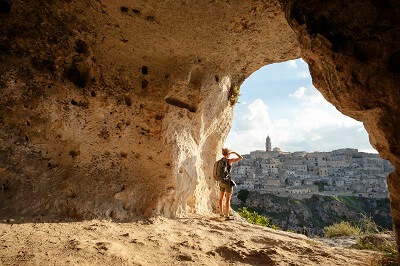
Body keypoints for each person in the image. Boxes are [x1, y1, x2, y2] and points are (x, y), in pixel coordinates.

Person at [218, 148, 243, 220]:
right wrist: (234, 152)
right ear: (228, 153)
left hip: (221, 181)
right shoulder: (229, 161)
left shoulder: (220, 161)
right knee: (227, 200)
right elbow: (241, 158)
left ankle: (221, 213)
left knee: (221, 198)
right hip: (227, 182)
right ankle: (227, 216)